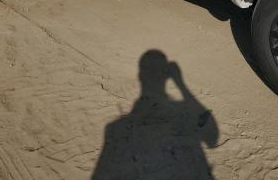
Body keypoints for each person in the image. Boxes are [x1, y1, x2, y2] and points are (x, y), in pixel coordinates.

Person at [92, 50, 219, 179]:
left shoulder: (113, 128)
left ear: (140, 76)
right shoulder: (113, 128)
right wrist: (180, 84)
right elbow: (212, 140)